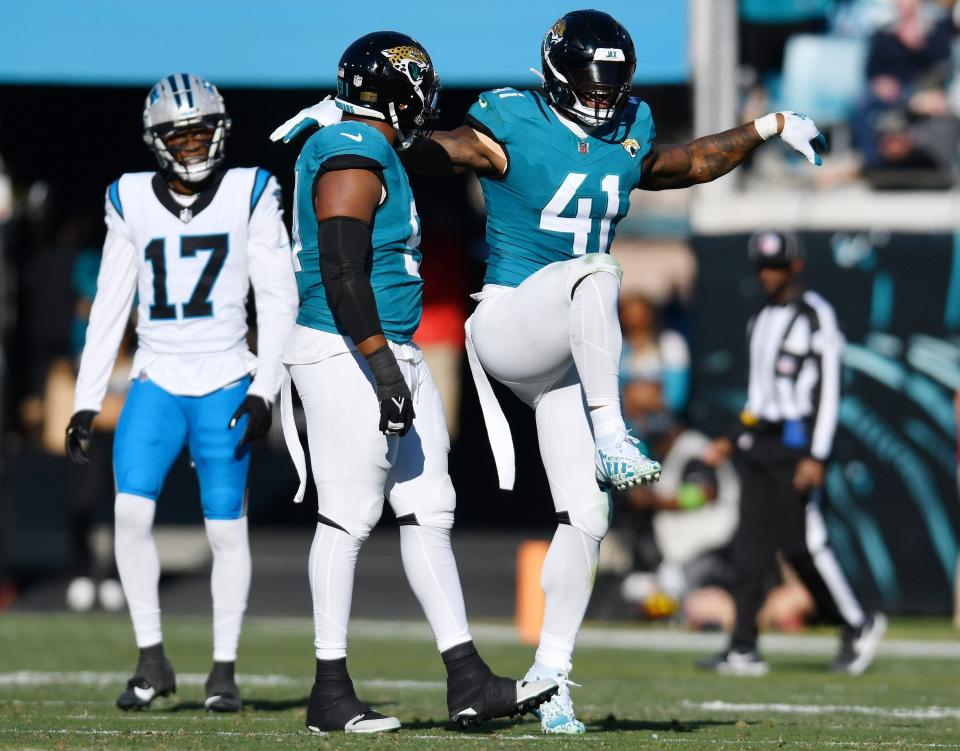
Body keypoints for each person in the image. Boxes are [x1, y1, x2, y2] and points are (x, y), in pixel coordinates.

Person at [283, 9, 827, 733]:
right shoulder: (509, 119)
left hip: (575, 351)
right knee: (596, 271)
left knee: (589, 514)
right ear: (555, 74)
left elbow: (686, 162)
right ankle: (613, 431)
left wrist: (767, 127)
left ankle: (552, 677)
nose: (603, 103)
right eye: (590, 88)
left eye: (612, 90)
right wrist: (360, 119)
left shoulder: (627, 127)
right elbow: (428, 148)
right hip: (512, 320)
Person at [274, 32, 557, 734]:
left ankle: (468, 679)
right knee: (348, 514)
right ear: (396, 95)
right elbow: (341, 275)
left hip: (388, 345)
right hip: (347, 348)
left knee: (431, 503)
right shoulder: (352, 152)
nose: (426, 105)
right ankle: (329, 691)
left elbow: (453, 150)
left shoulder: (369, 142)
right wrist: (379, 368)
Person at [64, 74, 298, 711]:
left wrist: (265, 387)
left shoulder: (251, 190)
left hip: (225, 377)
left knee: (226, 529)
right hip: (157, 378)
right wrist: (87, 398)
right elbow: (110, 304)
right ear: (157, 141)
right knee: (129, 515)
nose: (193, 146)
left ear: (221, 131)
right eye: (180, 135)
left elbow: (279, 299)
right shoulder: (130, 197)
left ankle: (223, 668)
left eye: (201, 133)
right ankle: (150, 660)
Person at [698, 229, 886, 676]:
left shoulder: (815, 316)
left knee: (804, 544)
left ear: (795, 266)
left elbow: (827, 391)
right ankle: (743, 645)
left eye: (776, 265)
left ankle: (858, 623)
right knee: (749, 551)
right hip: (759, 445)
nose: (768, 274)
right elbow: (757, 399)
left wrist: (816, 456)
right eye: (762, 266)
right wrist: (731, 435)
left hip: (795, 445)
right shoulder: (759, 320)